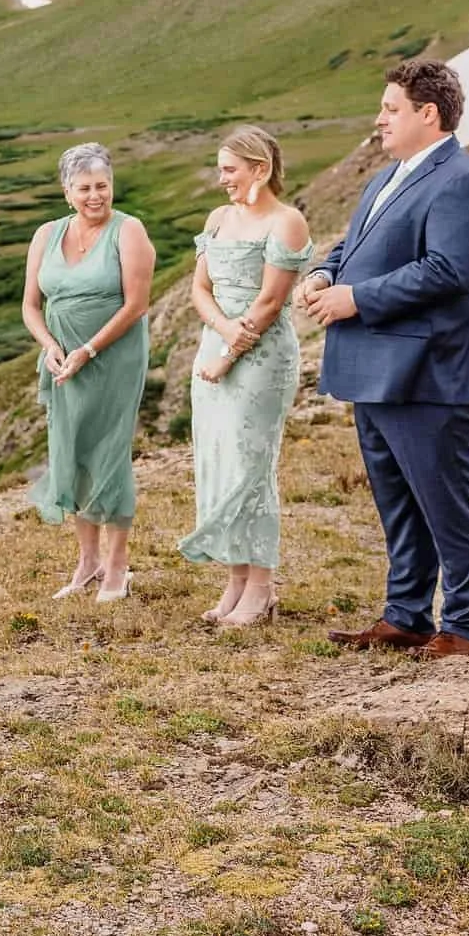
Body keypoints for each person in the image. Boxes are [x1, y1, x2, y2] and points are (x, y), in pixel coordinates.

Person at [298, 60, 469, 661]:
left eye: (391, 108)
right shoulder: (387, 177)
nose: (380, 118)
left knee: (446, 504)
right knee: (399, 504)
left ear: (427, 113)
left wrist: (355, 298)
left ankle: (463, 627)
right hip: (375, 372)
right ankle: (406, 616)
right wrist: (325, 273)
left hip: (430, 373)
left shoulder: (465, 180)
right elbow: (353, 246)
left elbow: (449, 271)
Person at [179, 127, 312, 627]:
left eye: (230, 170)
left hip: (260, 358)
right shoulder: (218, 219)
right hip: (215, 346)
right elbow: (199, 287)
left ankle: (261, 587)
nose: (222, 180)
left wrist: (229, 352)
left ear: (261, 169)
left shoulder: (287, 221)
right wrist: (218, 333)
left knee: (252, 466)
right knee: (218, 461)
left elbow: (270, 302)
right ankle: (234, 580)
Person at [22, 142, 154, 603]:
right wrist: (51, 347)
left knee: (109, 452)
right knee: (71, 449)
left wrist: (88, 350)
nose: (95, 196)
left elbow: (138, 304)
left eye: (103, 186)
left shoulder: (129, 230)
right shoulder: (47, 234)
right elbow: (30, 305)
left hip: (113, 356)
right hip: (61, 361)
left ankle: (118, 566)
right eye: (84, 188)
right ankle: (87, 562)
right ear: (67, 191)